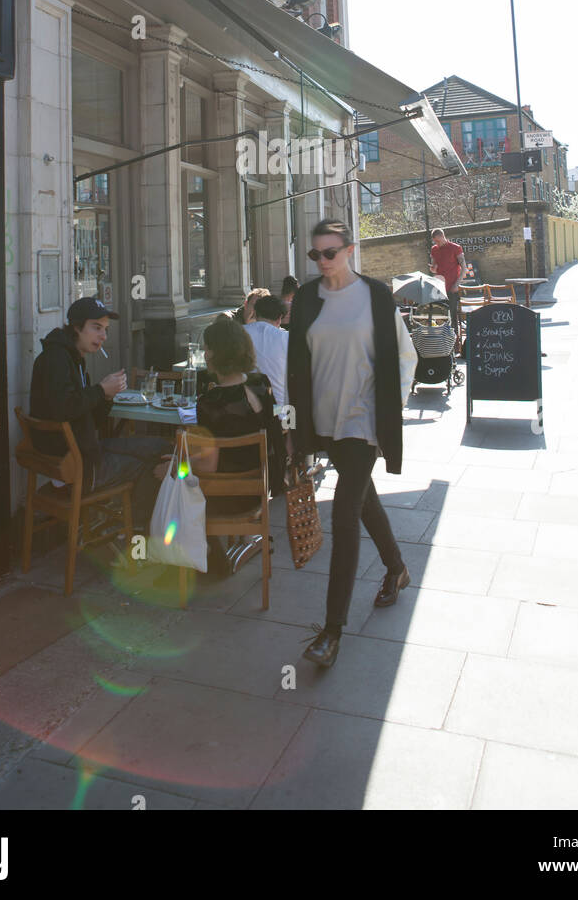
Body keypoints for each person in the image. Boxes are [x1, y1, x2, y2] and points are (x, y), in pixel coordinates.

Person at [287, 218, 417, 669]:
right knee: (364, 501)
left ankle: (332, 631)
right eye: (315, 255)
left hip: (362, 421)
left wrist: (389, 413)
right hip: (324, 419)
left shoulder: (376, 296)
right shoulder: (305, 298)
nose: (323, 262)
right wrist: (294, 425)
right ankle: (396, 568)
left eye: (330, 252)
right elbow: (296, 363)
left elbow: (405, 357)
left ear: (350, 249)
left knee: (343, 515)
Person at [153, 316, 285, 574]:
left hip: (225, 498)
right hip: (260, 489)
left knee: (159, 475)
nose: (204, 353)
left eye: (206, 348)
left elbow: (209, 466)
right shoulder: (261, 384)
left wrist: (175, 464)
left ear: (215, 354)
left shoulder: (210, 403)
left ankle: (203, 558)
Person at [29, 297, 170, 532]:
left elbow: (88, 419)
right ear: (76, 327)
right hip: (79, 466)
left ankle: (123, 526)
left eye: (105, 329)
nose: (103, 336)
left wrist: (105, 397)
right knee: (154, 465)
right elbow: (63, 408)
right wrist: (100, 390)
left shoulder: (72, 359)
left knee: (163, 448)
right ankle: (135, 532)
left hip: (81, 453)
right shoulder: (56, 360)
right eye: (96, 328)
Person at [245, 294, 289, 404]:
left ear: (255, 313)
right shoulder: (287, 338)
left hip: (245, 407)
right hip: (282, 409)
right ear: (279, 318)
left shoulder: (239, 333)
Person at [430, 227, 468, 329]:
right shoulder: (434, 249)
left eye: (438, 241)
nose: (437, 243)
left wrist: (456, 284)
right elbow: (434, 269)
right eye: (435, 241)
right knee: (439, 316)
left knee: (452, 317)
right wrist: (433, 269)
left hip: (452, 287)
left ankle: (454, 340)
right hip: (439, 288)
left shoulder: (456, 248)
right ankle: (442, 339)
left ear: (443, 236)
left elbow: (464, 268)